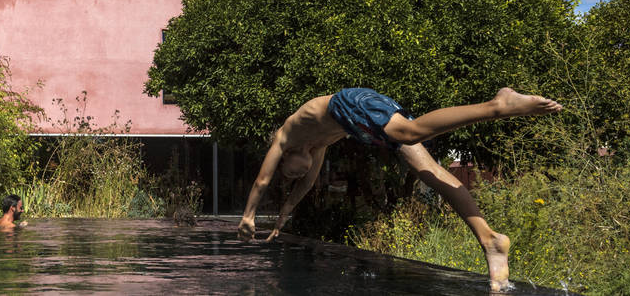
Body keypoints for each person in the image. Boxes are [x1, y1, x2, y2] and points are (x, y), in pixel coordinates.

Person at [237, 87, 562, 291]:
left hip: (349, 105)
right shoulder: (315, 146)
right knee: (428, 170)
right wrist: (283, 215)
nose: (297, 175)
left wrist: (248, 216)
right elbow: (306, 185)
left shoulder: (285, 137)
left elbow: (262, 181)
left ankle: (498, 104)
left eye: (289, 174)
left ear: (284, 158)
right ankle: (490, 240)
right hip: (358, 125)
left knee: (408, 131)